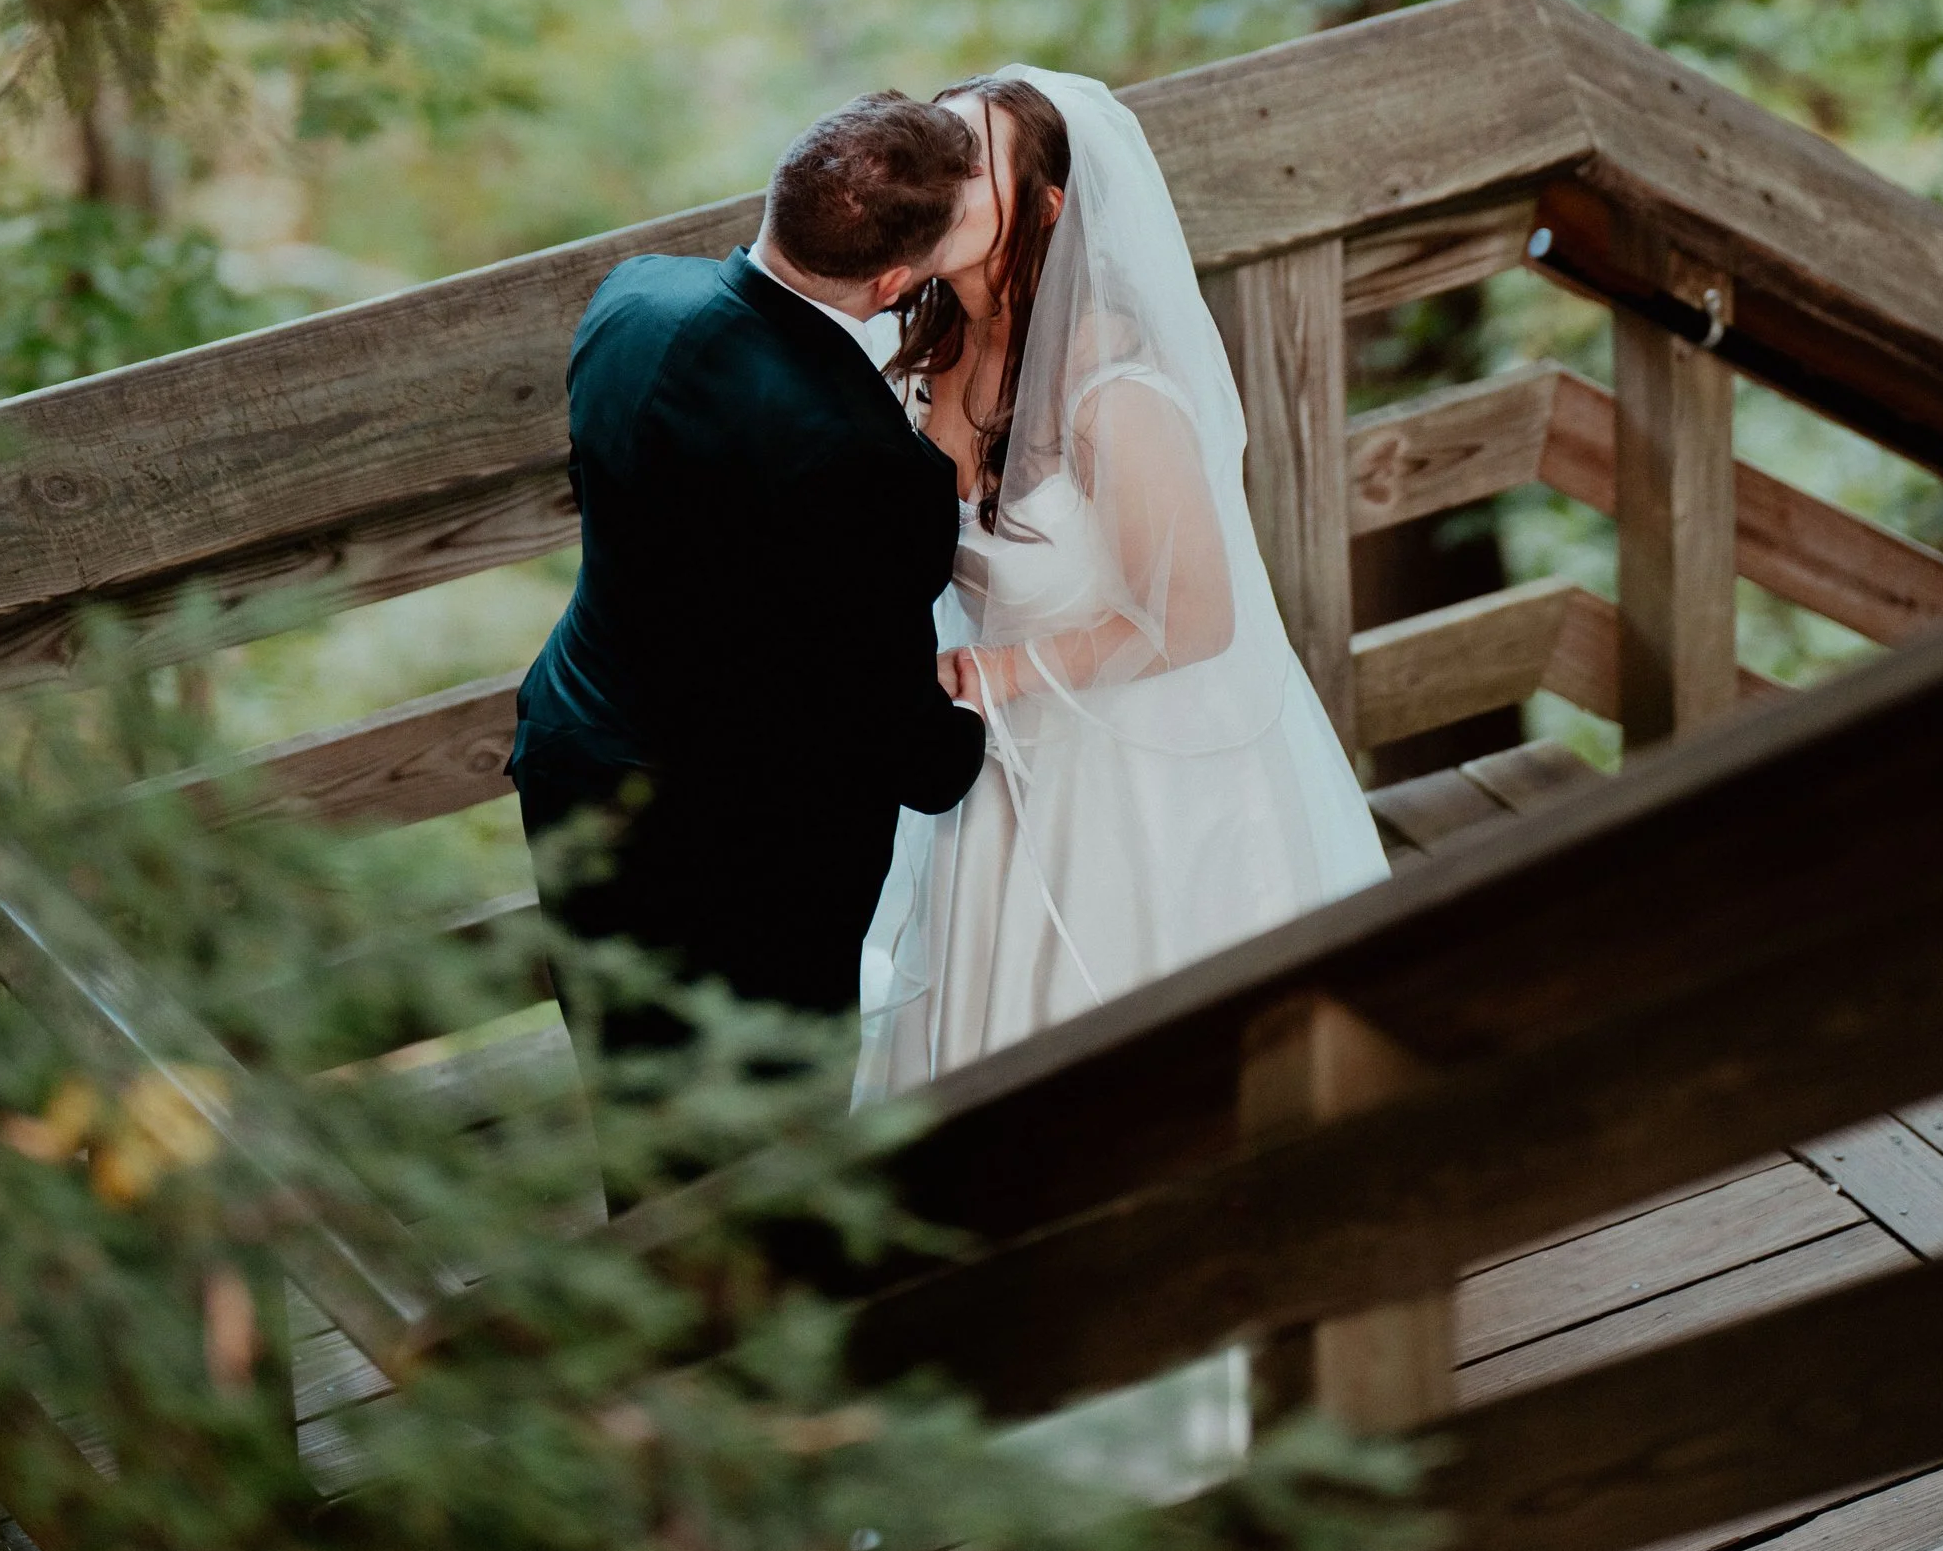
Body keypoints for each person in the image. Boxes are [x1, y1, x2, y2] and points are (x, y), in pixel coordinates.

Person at [857, 67, 1387, 1098]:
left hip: (1140, 769)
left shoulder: (1114, 390)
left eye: (969, 166)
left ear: (1047, 209)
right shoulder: (925, 352)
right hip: (996, 774)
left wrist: (1001, 674)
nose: (939, 183)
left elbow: (1196, 620)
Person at [511, 91, 993, 1034]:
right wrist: (972, 718)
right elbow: (912, 752)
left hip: (574, 760)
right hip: (738, 856)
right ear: (895, 283)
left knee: (632, 1121)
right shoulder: (873, 465)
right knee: (761, 1148)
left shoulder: (632, 296)